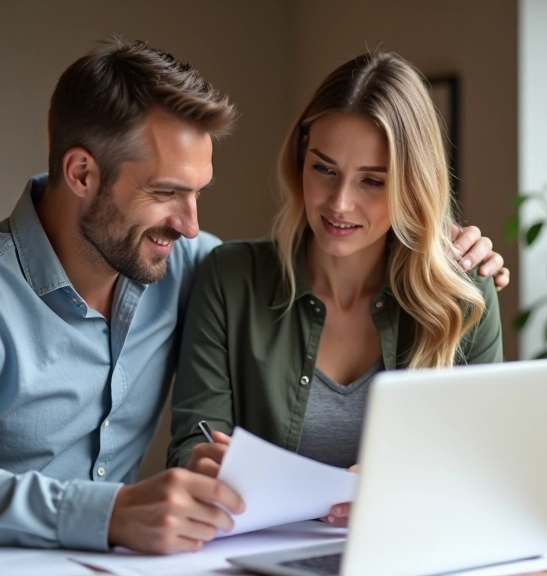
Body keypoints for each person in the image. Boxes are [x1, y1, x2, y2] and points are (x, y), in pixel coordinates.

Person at [0, 39, 507, 554]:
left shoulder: (190, 264)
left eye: (198, 192)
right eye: (168, 192)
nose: (191, 222)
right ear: (82, 173)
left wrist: (441, 242)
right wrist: (110, 511)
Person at [168, 51, 504, 528]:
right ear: (300, 154)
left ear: (412, 185)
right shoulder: (228, 279)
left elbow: (486, 471)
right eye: (324, 169)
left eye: (372, 181)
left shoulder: (463, 296)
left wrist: (405, 484)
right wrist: (203, 466)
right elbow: (190, 447)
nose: (339, 203)